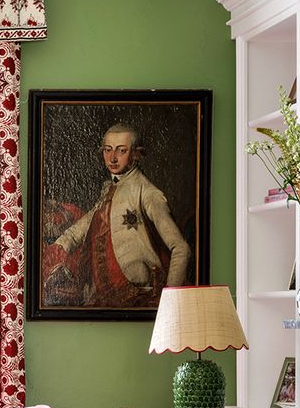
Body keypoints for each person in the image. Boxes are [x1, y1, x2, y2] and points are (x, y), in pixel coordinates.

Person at [41, 122, 190, 308]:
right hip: (103, 296)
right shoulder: (109, 190)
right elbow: (83, 226)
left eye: (121, 151)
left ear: (136, 154)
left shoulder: (148, 193)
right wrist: (59, 247)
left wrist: (170, 300)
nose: (112, 158)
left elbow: (181, 248)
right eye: (108, 150)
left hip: (138, 295)